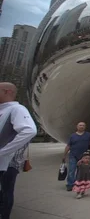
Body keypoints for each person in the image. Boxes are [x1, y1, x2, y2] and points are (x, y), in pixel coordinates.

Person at [0, 82, 37, 219]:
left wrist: (4, 151)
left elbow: (29, 131)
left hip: (8, 163)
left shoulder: (17, 109)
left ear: (7, 91)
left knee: (6, 191)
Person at [62, 122, 90, 191]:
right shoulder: (72, 136)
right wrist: (64, 155)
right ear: (77, 127)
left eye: (83, 125)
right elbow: (68, 146)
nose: (82, 126)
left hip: (83, 157)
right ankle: (70, 184)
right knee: (72, 170)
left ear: (85, 127)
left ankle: (77, 183)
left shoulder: (88, 135)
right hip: (73, 155)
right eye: (80, 125)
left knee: (80, 171)